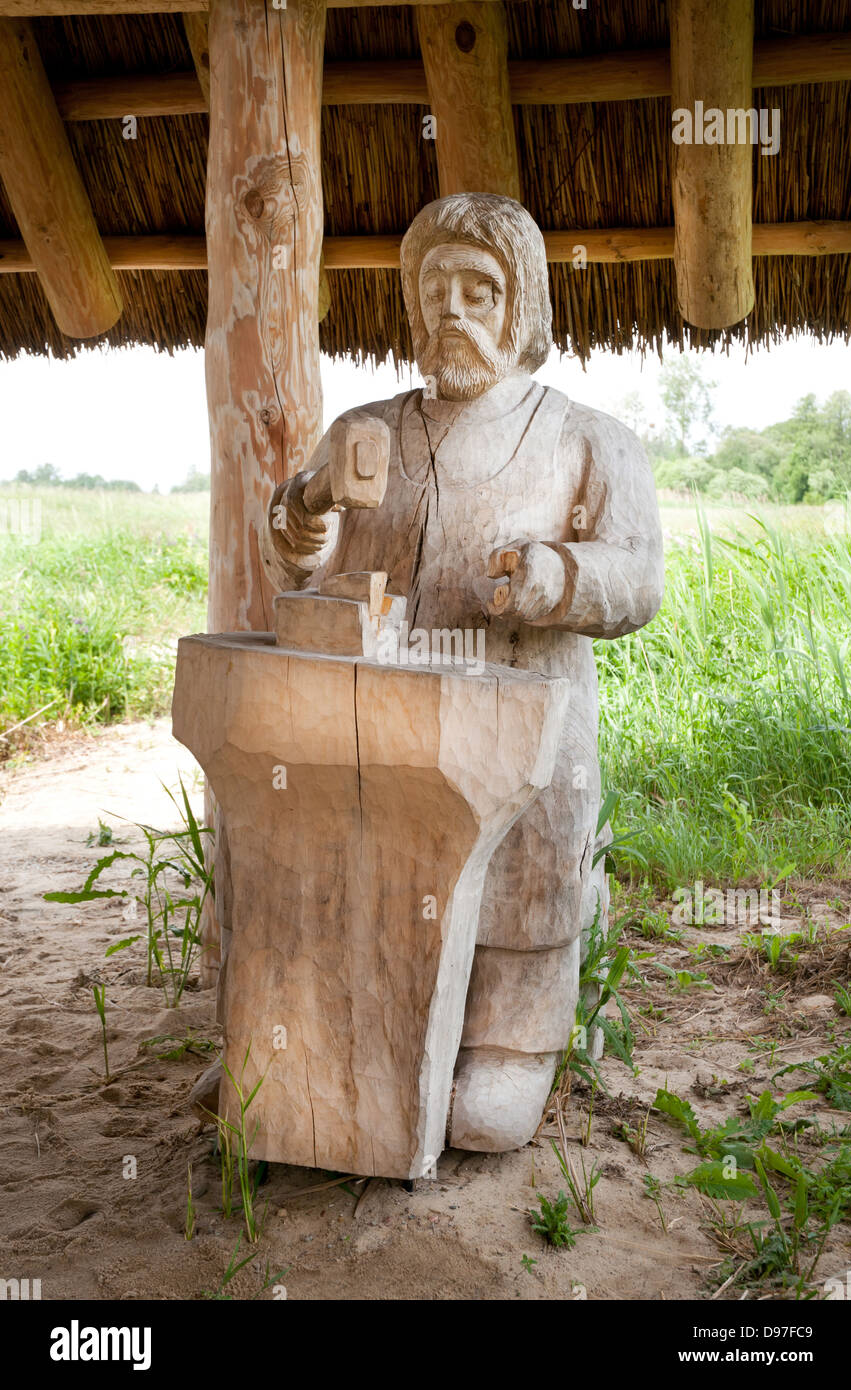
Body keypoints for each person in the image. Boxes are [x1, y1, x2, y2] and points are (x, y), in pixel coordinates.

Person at [261, 192, 664, 1150]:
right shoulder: (366, 428)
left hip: (526, 722)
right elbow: (295, 562)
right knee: (357, 874)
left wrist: (555, 575)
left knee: (522, 880)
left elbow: (638, 579)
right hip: (378, 719)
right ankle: (327, 1033)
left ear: (521, 308)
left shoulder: (586, 439)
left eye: (479, 289)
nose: (453, 310)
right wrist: (312, 500)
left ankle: (510, 1042)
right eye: (434, 287)